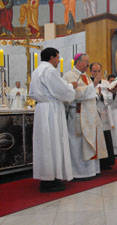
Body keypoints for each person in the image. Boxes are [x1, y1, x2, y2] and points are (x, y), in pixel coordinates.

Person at [30, 47, 77, 192]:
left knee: (45, 144)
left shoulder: (37, 70)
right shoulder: (49, 70)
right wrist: (71, 86)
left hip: (42, 109)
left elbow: (32, 92)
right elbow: (60, 90)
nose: (58, 60)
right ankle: (50, 180)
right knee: (53, 142)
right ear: (51, 57)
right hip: (51, 110)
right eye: (57, 57)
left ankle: (48, 177)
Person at [63, 53, 107, 179]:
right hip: (77, 115)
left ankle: (91, 171)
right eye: (86, 62)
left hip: (89, 114)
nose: (88, 64)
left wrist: (94, 88)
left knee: (89, 142)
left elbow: (89, 92)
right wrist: (92, 87)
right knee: (77, 143)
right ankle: (79, 172)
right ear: (78, 62)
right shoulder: (69, 75)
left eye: (88, 61)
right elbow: (72, 94)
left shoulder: (85, 76)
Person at [90, 62, 115, 169]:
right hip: (93, 113)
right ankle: (97, 162)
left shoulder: (105, 83)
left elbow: (110, 98)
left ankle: (107, 162)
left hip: (104, 113)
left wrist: (101, 96)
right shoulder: (88, 83)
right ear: (90, 71)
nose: (97, 73)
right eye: (94, 71)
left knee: (106, 137)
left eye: (98, 71)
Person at [107, 74, 117, 155]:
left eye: (114, 81)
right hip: (108, 114)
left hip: (116, 114)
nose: (113, 82)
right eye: (111, 81)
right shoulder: (106, 91)